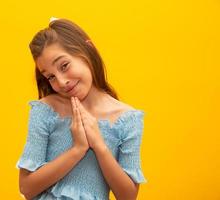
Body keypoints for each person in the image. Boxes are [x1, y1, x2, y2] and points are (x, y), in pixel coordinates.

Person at [15, 17, 147, 200]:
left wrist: (99, 145)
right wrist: (77, 149)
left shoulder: (127, 119)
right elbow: (27, 188)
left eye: (64, 65)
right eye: (50, 77)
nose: (61, 82)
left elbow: (128, 196)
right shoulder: (45, 110)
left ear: (88, 49)